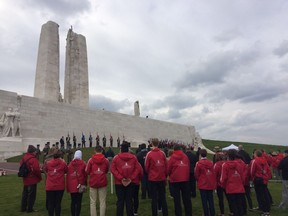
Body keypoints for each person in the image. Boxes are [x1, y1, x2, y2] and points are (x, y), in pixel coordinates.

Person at [111, 141, 139, 216]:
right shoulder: (133, 157)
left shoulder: (116, 158)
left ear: (121, 149)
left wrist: (120, 178)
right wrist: (131, 178)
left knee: (120, 202)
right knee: (129, 201)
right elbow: (137, 169)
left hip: (119, 183)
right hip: (130, 182)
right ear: (128, 149)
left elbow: (113, 169)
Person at [145, 138, 168, 216]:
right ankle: (165, 213)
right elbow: (166, 166)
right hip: (161, 178)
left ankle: (154, 214)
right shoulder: (163, 153)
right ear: (158, 143)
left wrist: (151, 173)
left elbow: (146, 167)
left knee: (154, 198)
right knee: (163, 197)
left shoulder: (149, 154)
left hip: (153, 179)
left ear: (152, 144)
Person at [167, 144, 192, 216]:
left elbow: (169, 168)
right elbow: (188, 166)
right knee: (187, 198)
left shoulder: (172, 158)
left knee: (177, 199)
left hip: (175, 180)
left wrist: (169, 174)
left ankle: (178, 213)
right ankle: (188, 213)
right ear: (180, 149)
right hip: (185, 179)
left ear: (174, 150)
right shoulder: (185, 156)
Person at [86, 145, 110, 216]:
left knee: (93, 202)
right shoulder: (106, 160)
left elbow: (87, 171)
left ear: (95, 150)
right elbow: (106, 170)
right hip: (102, 182)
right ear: (102, 151)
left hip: (93, 182)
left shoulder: (91, 160)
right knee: (102, 201)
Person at [220, 149, 245, 216]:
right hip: (239, 187)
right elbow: (242, 176)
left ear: (228, 155)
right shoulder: (239, 164)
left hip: (230, 188)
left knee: (233, 206)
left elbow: (223, 178)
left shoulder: (225, 165)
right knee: (239, 205)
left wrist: (223, 186)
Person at [44, 149, 68, 216]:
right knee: (58, 203)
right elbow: (66, 170)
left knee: (51, 204)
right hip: (59, 185)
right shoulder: (63, 163)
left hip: (50, 185)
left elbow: (45, 169)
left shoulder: (48, 163)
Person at [20, 145, 42, 213]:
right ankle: (29, 209)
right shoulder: (33, 159)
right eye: (35, 151)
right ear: (33, 152)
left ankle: (23, 207)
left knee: (25, 194)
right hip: (32, 179)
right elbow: (36, 170)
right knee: (31, 195)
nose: (36, 153)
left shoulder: (24, 158)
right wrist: (39, 177)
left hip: (25, 178)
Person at [195, 149, 216, 216]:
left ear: (200, 155)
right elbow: (213, 173)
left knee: (204, 200)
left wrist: (199, 180)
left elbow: (196, 174)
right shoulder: (211, 163)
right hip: (210, 183)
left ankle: (206, 213)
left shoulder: (198, 163)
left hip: (202, 184)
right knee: (210, 199)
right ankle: (212, 213)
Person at [250, 150, 271, 216]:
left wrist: (252, 178)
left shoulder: (254, 161)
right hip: (264, 179)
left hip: (258, 179)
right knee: (265, 194)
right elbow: (268, 170)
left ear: (255, 154)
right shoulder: (265, 160)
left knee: (260, 195)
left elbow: (252, 171)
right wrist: (267, 177)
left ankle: (265, 211)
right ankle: (265, 208)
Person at [67, 150, 87, 216]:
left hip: (72, 185)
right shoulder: (83, 163)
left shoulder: (70, 164)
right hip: (80, 184)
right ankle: (77, 214)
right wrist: (85, 183)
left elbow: (68, 175)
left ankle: (73, 214)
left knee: (73, 201)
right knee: (79, 201)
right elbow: (85, 174)